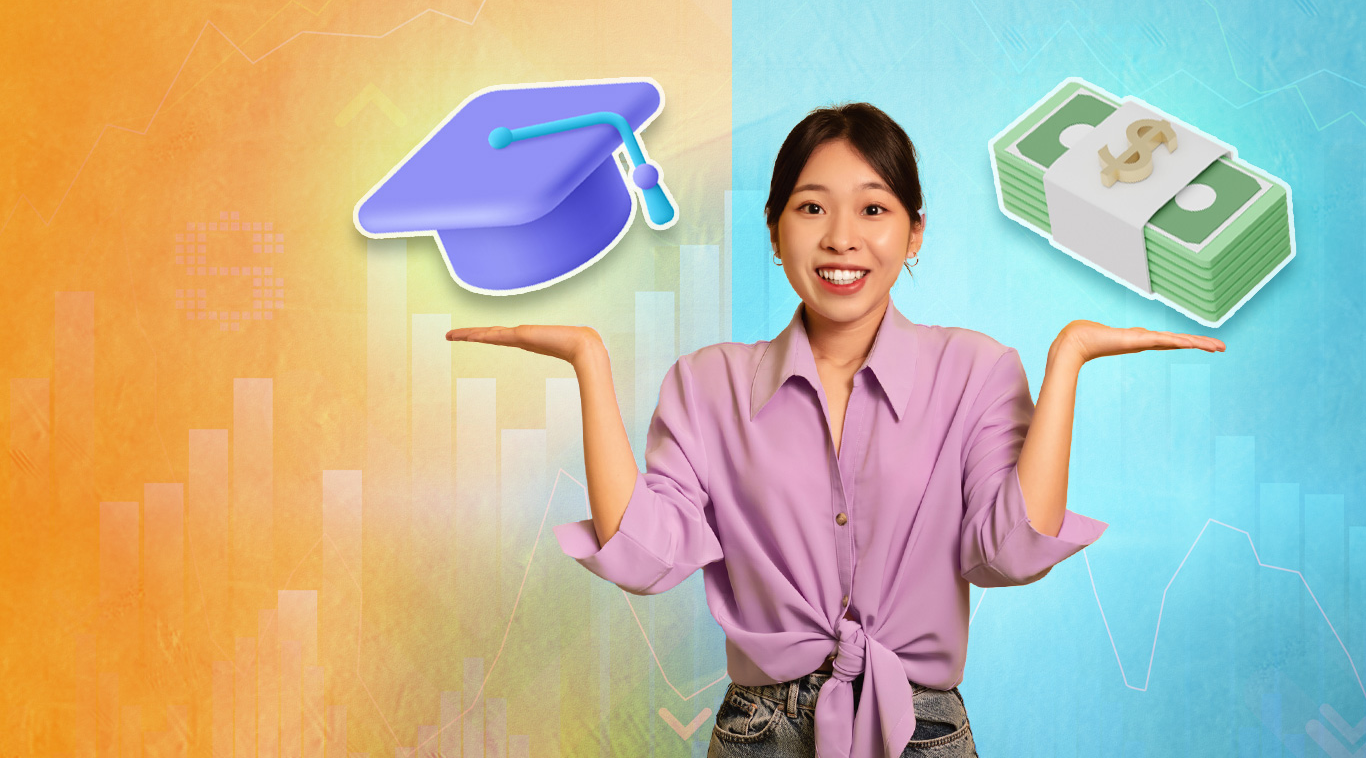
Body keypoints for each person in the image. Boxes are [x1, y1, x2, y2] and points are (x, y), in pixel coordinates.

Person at [446, 103, 1225, 758]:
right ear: (776, 228)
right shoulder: (707, 383)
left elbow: (1012, 550)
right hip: (759, 730)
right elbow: (646, 557)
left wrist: (1068, 362)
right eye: (812, 207)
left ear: (915, 234)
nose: (842, 237)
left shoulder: (978, 371)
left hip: (920, 727)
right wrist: (589, 363)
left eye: (875, 209)